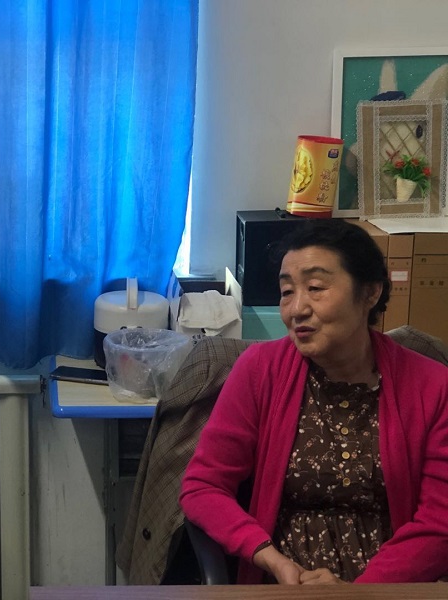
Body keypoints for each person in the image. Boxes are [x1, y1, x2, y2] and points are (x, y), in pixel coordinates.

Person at [180, 218, 448, 585]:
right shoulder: (260, 371)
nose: (296, 309)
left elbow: (440, 521)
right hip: (284, 585)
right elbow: (203, 486)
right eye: (287, 291)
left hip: (389, 587)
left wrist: (357, 592)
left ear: (370, 292)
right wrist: (271, 560)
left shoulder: (433, 386)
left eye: (316, 287)